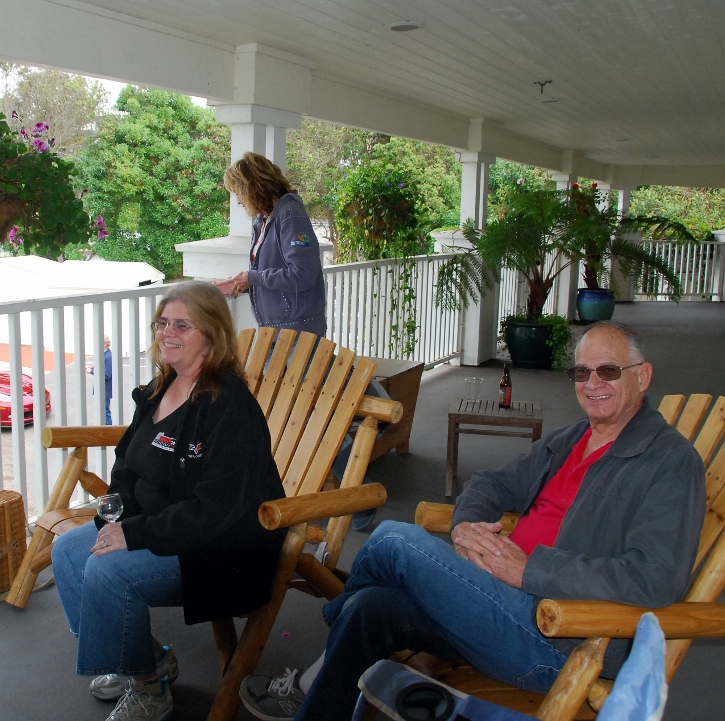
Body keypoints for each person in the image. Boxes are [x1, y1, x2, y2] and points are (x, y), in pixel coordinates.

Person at [240, 321, 705, 721]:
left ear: (642, 377)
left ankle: (322, 637)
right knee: (371, 609)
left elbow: (655, 579)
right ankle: (313, 699)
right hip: (496, 598)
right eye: (581, 372)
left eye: (608, 370)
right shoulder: (575, 438)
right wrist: (465, 526)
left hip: (557, 634)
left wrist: (528, 570)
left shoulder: (669, 462)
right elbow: (492, 485)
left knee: (393, 540)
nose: (591, 383)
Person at [51, 281, 287, 721]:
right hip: (162, 528)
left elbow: (215, 509)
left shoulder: (228, 407)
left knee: (107, 569)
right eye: (163, 323)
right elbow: (125, 469)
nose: (167, 333)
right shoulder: (159, 390)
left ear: (211, 336)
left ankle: (148, 688)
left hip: (219, 550)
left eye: (182, 324)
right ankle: (148, 660)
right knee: (67, 550)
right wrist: (112, 520)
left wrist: (133, 535)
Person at [215, 152, 326, 337]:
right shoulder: (263, 219)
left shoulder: (291, 215)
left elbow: (302, 274)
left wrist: (254, 278)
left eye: (238, 193)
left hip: (298, 334)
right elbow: (273, 271)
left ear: (253, 187)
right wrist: (245, 282)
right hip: (276, 332)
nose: (238, 201)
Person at [90, 335, 114, 425]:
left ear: (105, 344)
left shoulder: (108, 356)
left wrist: (92, 371)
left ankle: (108, 431)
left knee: (105, 412)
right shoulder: (105, 354)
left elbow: (107, 374)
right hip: (103, 389)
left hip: (104, 389)